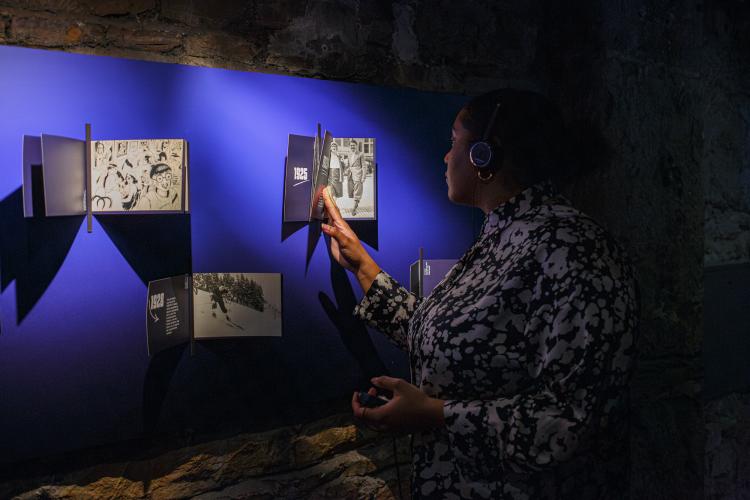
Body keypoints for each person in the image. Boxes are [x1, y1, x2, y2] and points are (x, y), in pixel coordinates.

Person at [321, 88, 638, 499]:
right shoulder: (505, 235)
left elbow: (571, 422)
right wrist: (362, 266)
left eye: (454, 141)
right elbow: (457, 339)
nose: (446, 156)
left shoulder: (574, 248)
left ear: (484, 156)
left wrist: (435, 415)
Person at [343, 139, 365, 215]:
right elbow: (348, 165)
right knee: (351, 192)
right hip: (350, 175)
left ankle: (354, 209)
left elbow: (364, 167)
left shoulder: (360, 154)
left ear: (356, 146)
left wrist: (363, 177)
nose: (352, 146)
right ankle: (356, 204)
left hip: (358, 175)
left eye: (353, 145)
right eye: (351, 145)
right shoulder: (349, 154)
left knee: (357, 192)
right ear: (350, 146)